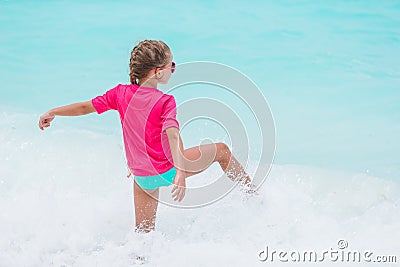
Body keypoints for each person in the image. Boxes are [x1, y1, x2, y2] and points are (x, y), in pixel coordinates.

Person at [38, 39, 254, 234]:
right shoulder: (165, 101)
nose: (173, 69)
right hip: (169, 170)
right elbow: (172, 135)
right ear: (158, 72)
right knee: (222, 151)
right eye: (172, 65)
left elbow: (85, 107)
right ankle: (251, 196)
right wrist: (179, 172)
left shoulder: (119, 94)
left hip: (142, 176)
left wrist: (54, 111)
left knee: (143, 235)